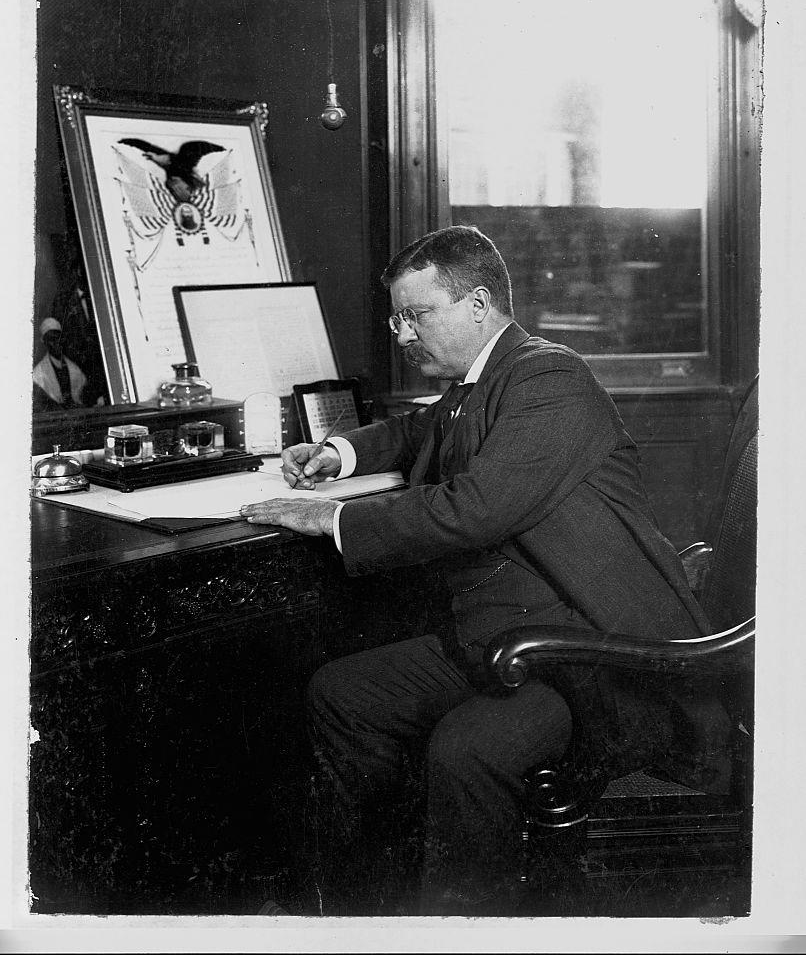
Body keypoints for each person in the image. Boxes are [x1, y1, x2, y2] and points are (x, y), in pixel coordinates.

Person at [239, 225, 728, 915]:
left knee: (466, 750)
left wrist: (332, 518)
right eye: (397, 317)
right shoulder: (486, 379)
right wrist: (339, 453)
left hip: (600, 653)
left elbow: (475, 510)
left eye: (417, 314)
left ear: (477, 306)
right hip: (511, 639)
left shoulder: (549, 377)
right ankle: (361, 907)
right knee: (342, 693)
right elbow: (423, 429)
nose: (403, 333)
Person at [32, 317, 88, 412]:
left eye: (58, 338)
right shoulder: (38, 374)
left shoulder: (74, 369)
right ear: (45, 342)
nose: (56, 343)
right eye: (51, 339)